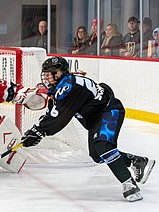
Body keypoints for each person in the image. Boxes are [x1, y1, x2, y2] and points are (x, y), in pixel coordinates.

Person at [21, 56, 156, 202]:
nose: (47, 77)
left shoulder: (70, 87)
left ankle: (129, 184)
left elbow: (59, 118)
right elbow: (52, 113)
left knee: (103, 147)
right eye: (46, 74)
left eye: (51, 73)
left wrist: (39, 131)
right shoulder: (62, 86)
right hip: (96, 118)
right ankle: (136, 161)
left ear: (61, 73)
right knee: (97, 155)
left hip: (109, 111)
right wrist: (38, 130)